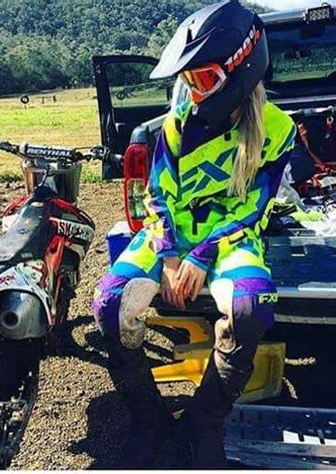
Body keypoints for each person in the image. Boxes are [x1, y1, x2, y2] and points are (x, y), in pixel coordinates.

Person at [92, 0, 296, 469]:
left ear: (241, 69)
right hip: (169, 235)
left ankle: (204, 422)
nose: (193, 92)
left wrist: (202, 254)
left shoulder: (278, 131)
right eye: (187, 80)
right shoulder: (176, 123)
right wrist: (166, 253)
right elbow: (157, 194)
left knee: (249, 309)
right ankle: (149, 417)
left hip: (231, 239)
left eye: (202, 79)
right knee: (108, 304)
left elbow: (254, 208)